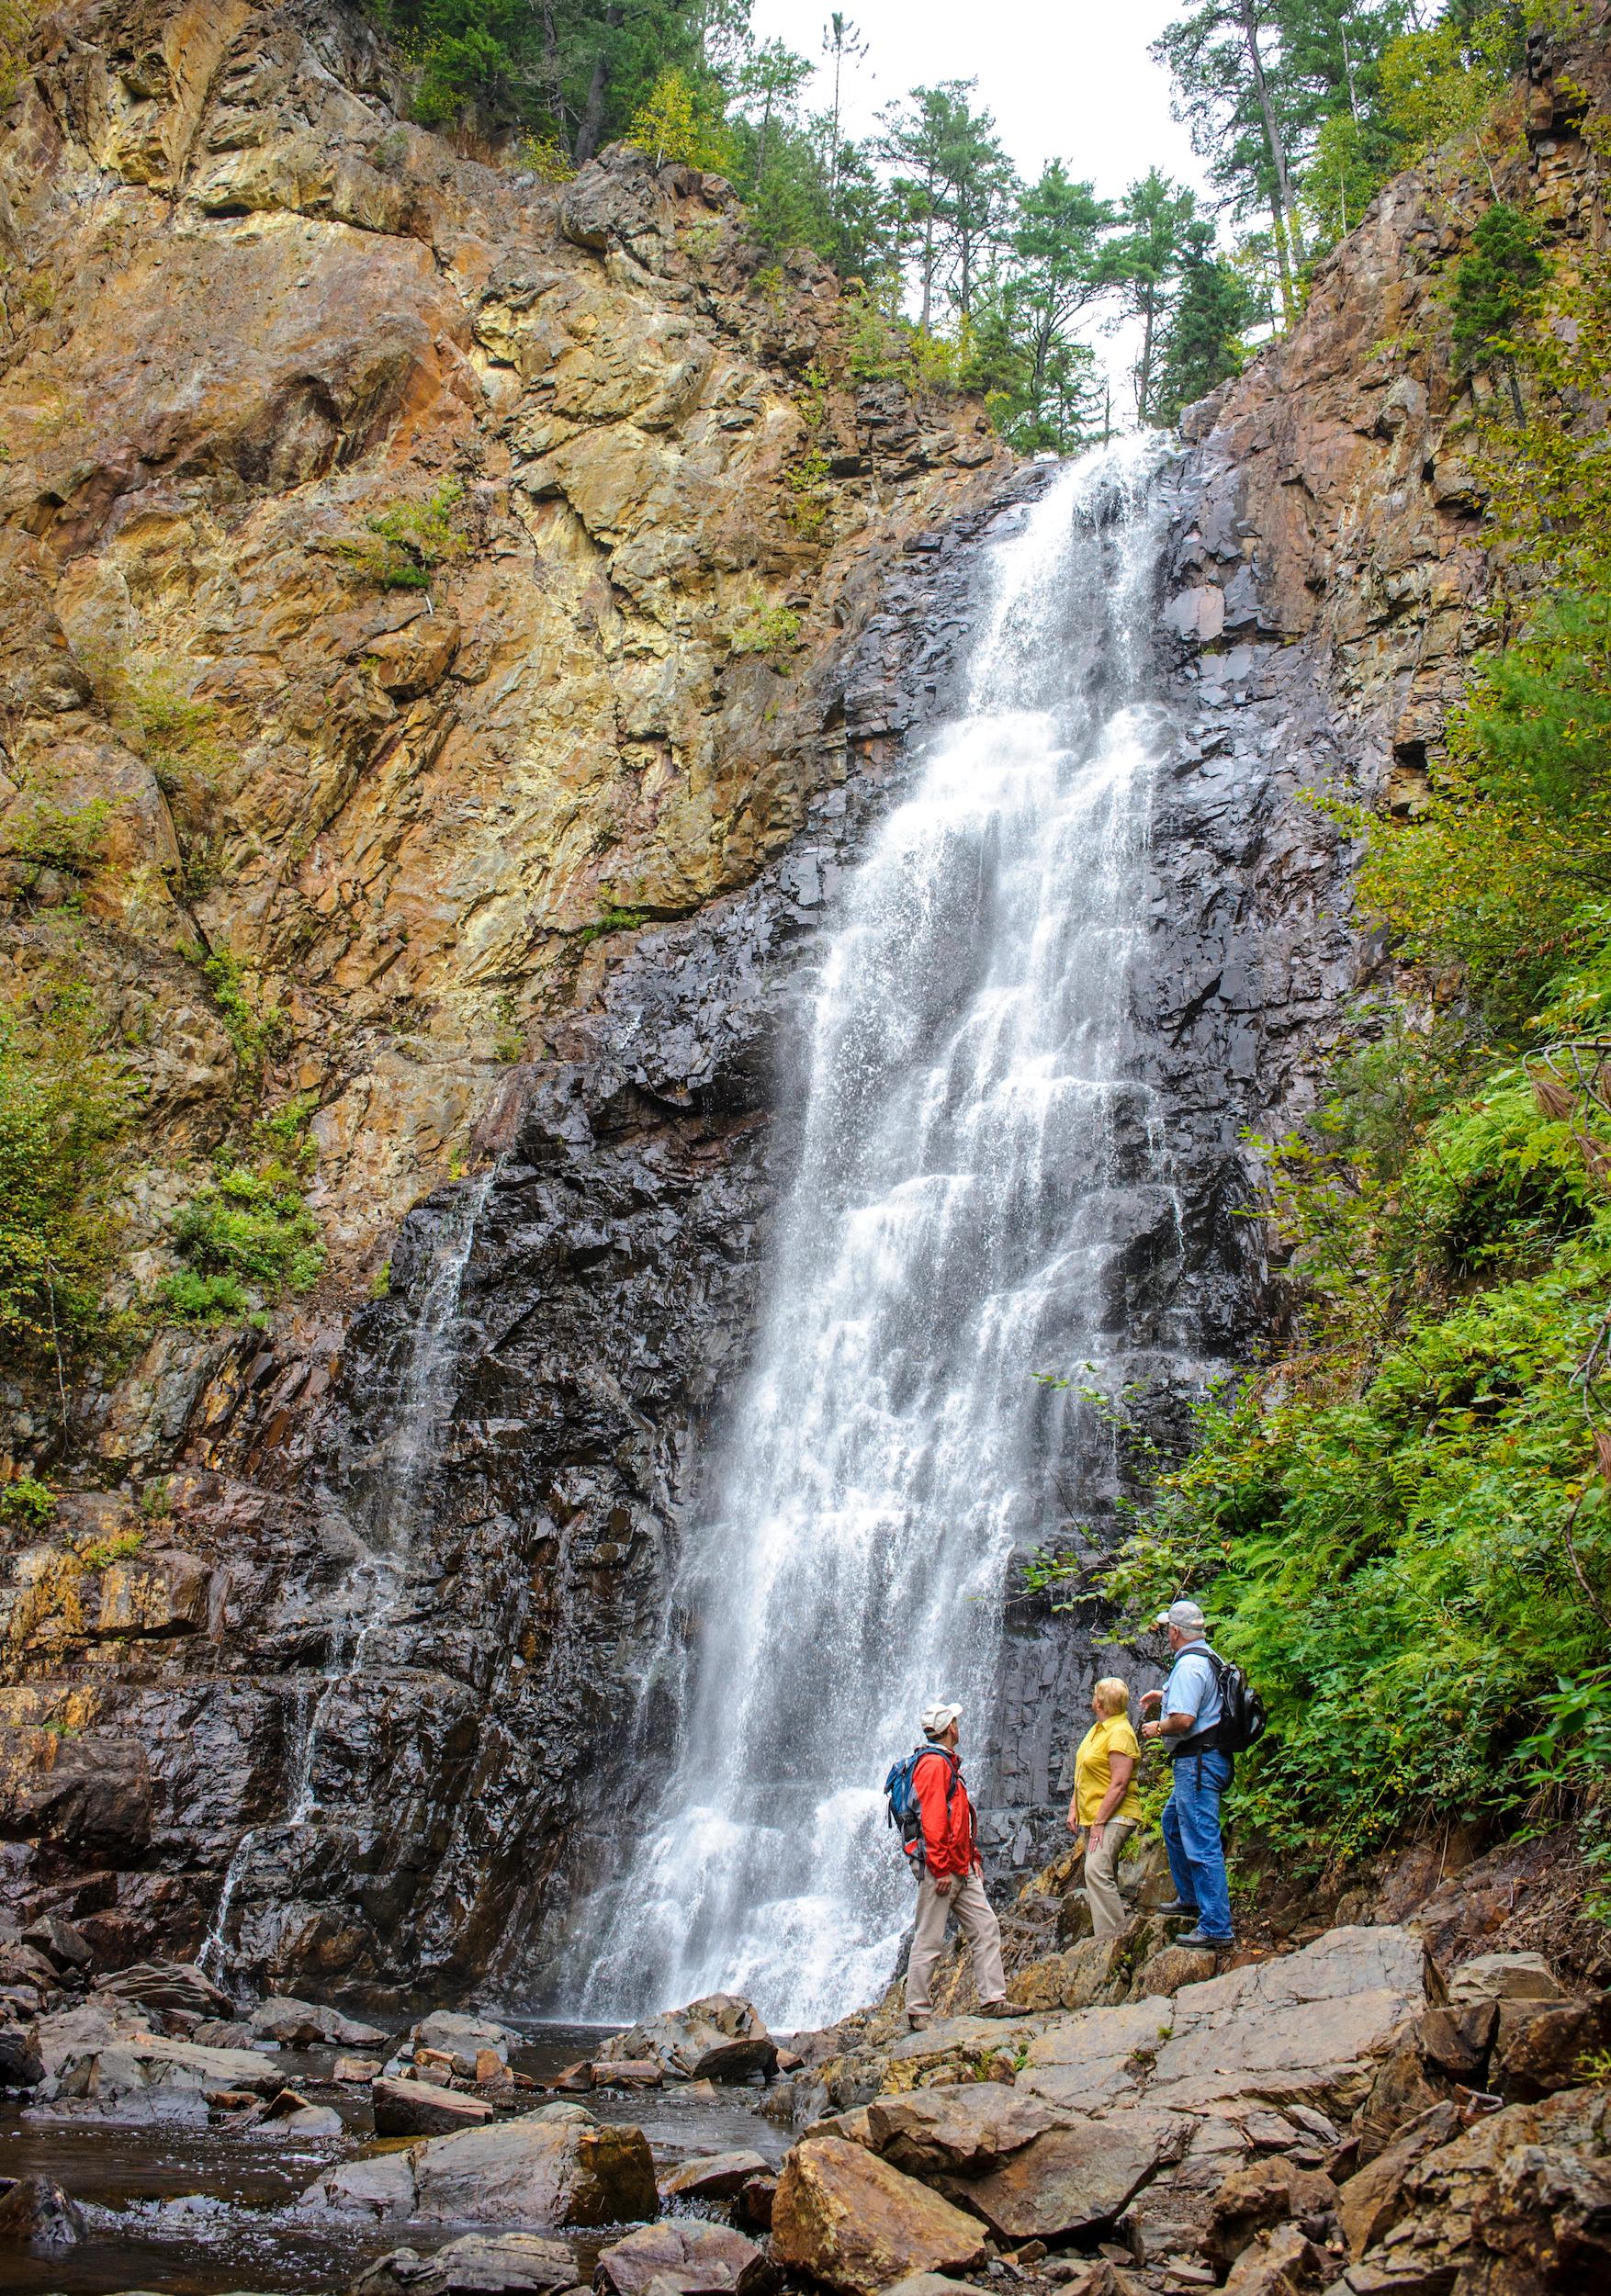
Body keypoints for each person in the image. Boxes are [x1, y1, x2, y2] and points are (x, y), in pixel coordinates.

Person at [902, 1699, 1013, 2031]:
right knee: (930, 1937)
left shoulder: (946, 1763)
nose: (958, 1726)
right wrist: (939, 1867)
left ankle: (993, 1999)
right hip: (942, 1867)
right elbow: (934, 1820)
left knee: (985, 1926)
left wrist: (972, 1857)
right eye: (956, 1722)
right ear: (950, 1727)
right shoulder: (934, 1765)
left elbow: (959, 1818)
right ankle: (917, 2011)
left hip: (960, 1864)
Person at [1139, 1597, 1234, 1949]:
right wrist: (1164, 1693)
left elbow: (1185, 1719)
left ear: (1175, 1632)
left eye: (1167, 1629)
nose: (1166, 1634)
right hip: (1208, 1760)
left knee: (1201, 1841)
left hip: (1196, 1764)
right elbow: (1203, 1698)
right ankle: (1192, 1898)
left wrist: (1158, 1728)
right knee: (1173, 1823)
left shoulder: (1189, 1666)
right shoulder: (1209, 1658)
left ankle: (1215, 1926)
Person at [1066, 1676, 1142, 1936]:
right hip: (1096, 1814)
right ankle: (1108, 1935)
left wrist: (1098, 1822)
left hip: (1116, 1815)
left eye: (1094, 1696)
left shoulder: (1120, 1733)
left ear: (1099, 1703)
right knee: (1099, 1871)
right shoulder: (1099, 1729)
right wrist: (1074, 1807)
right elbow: (1083, 1771)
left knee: (1096, 1870)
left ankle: (1112, 1939)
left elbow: (1119, 1784)